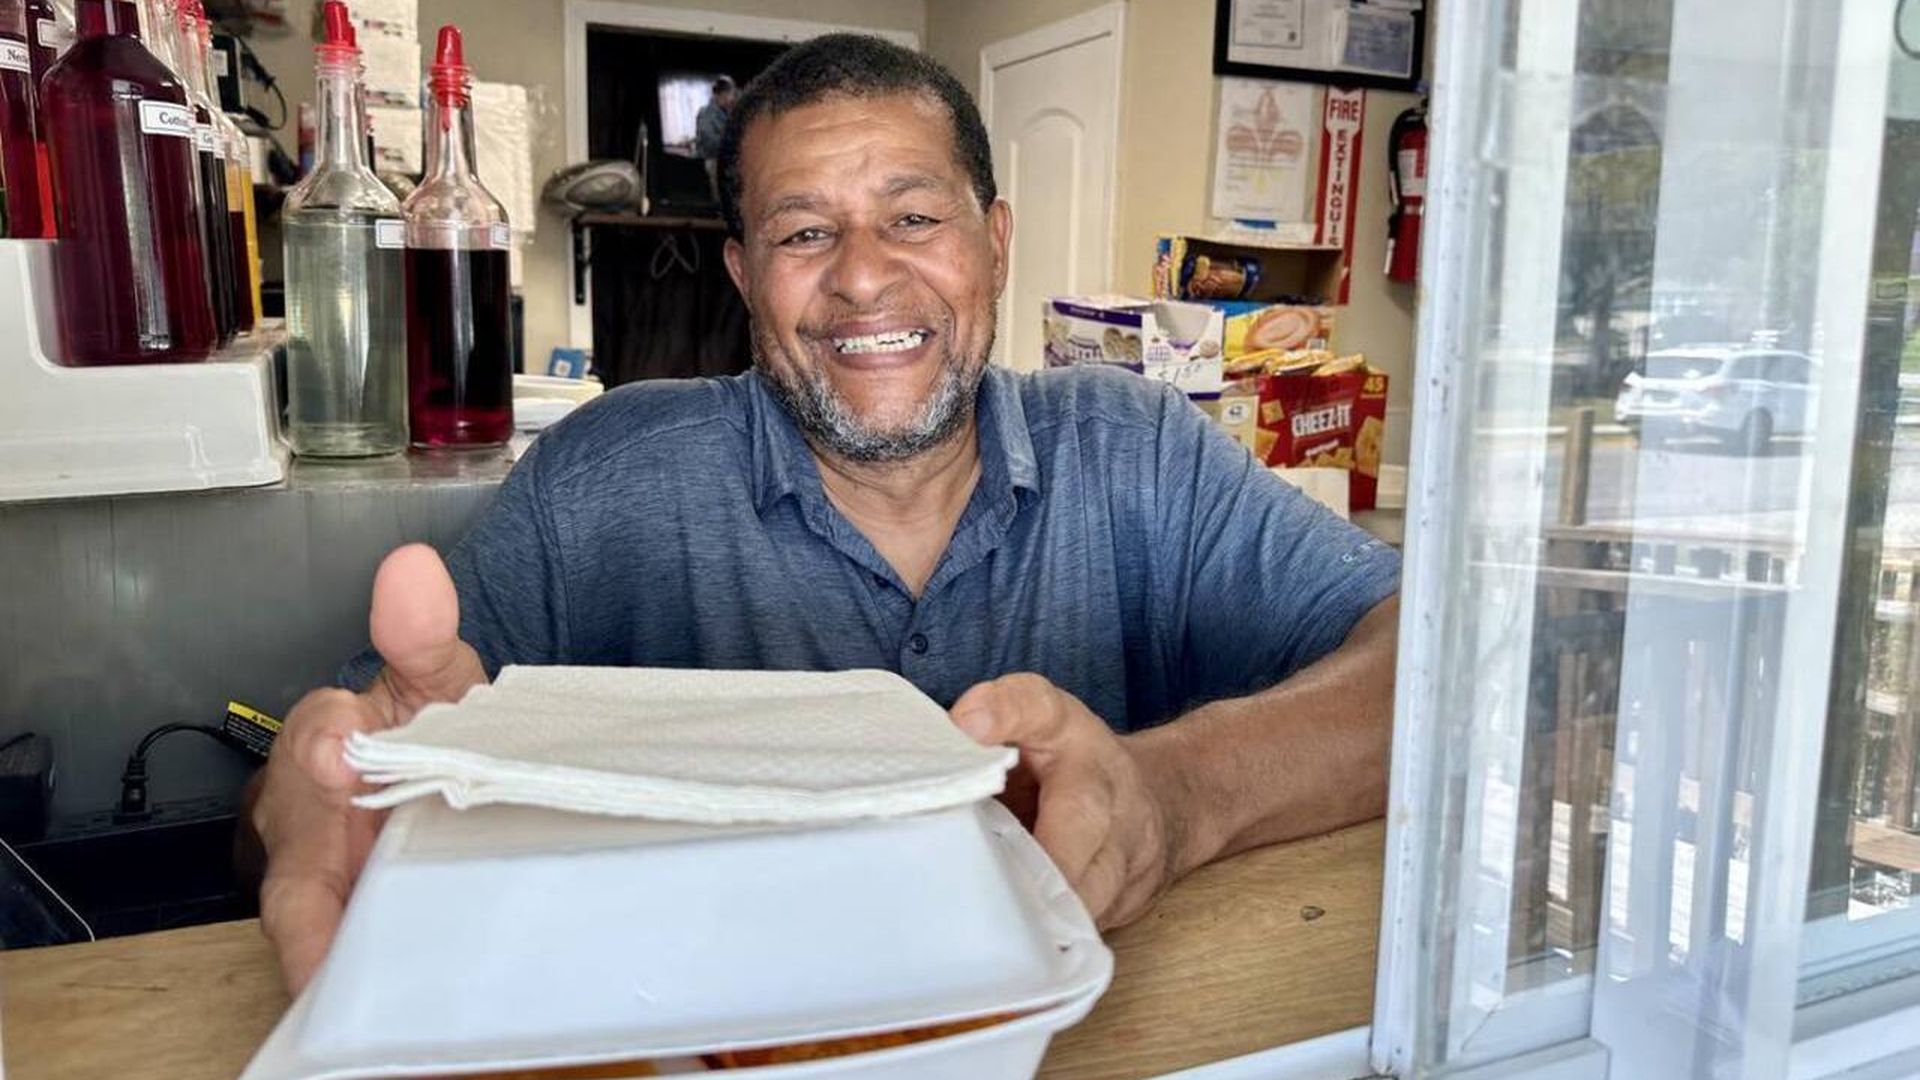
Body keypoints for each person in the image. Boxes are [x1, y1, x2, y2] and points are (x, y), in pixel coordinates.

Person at [249, 34, 1402, 995]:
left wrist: (1172, 795)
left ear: (994, 244)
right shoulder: (602, 484)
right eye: (805, 233)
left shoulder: (1139, 452)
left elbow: (1427, 667)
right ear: (746, 275)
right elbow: (337, 761)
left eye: (912, 219)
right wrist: (323, 794)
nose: (860, 276)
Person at [695, 74, 737, 204]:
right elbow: (708, 141)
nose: (733, 98)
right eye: (731, 94)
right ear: (723, 94)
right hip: (714, 161)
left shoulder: (726, 112)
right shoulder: (707, 112)